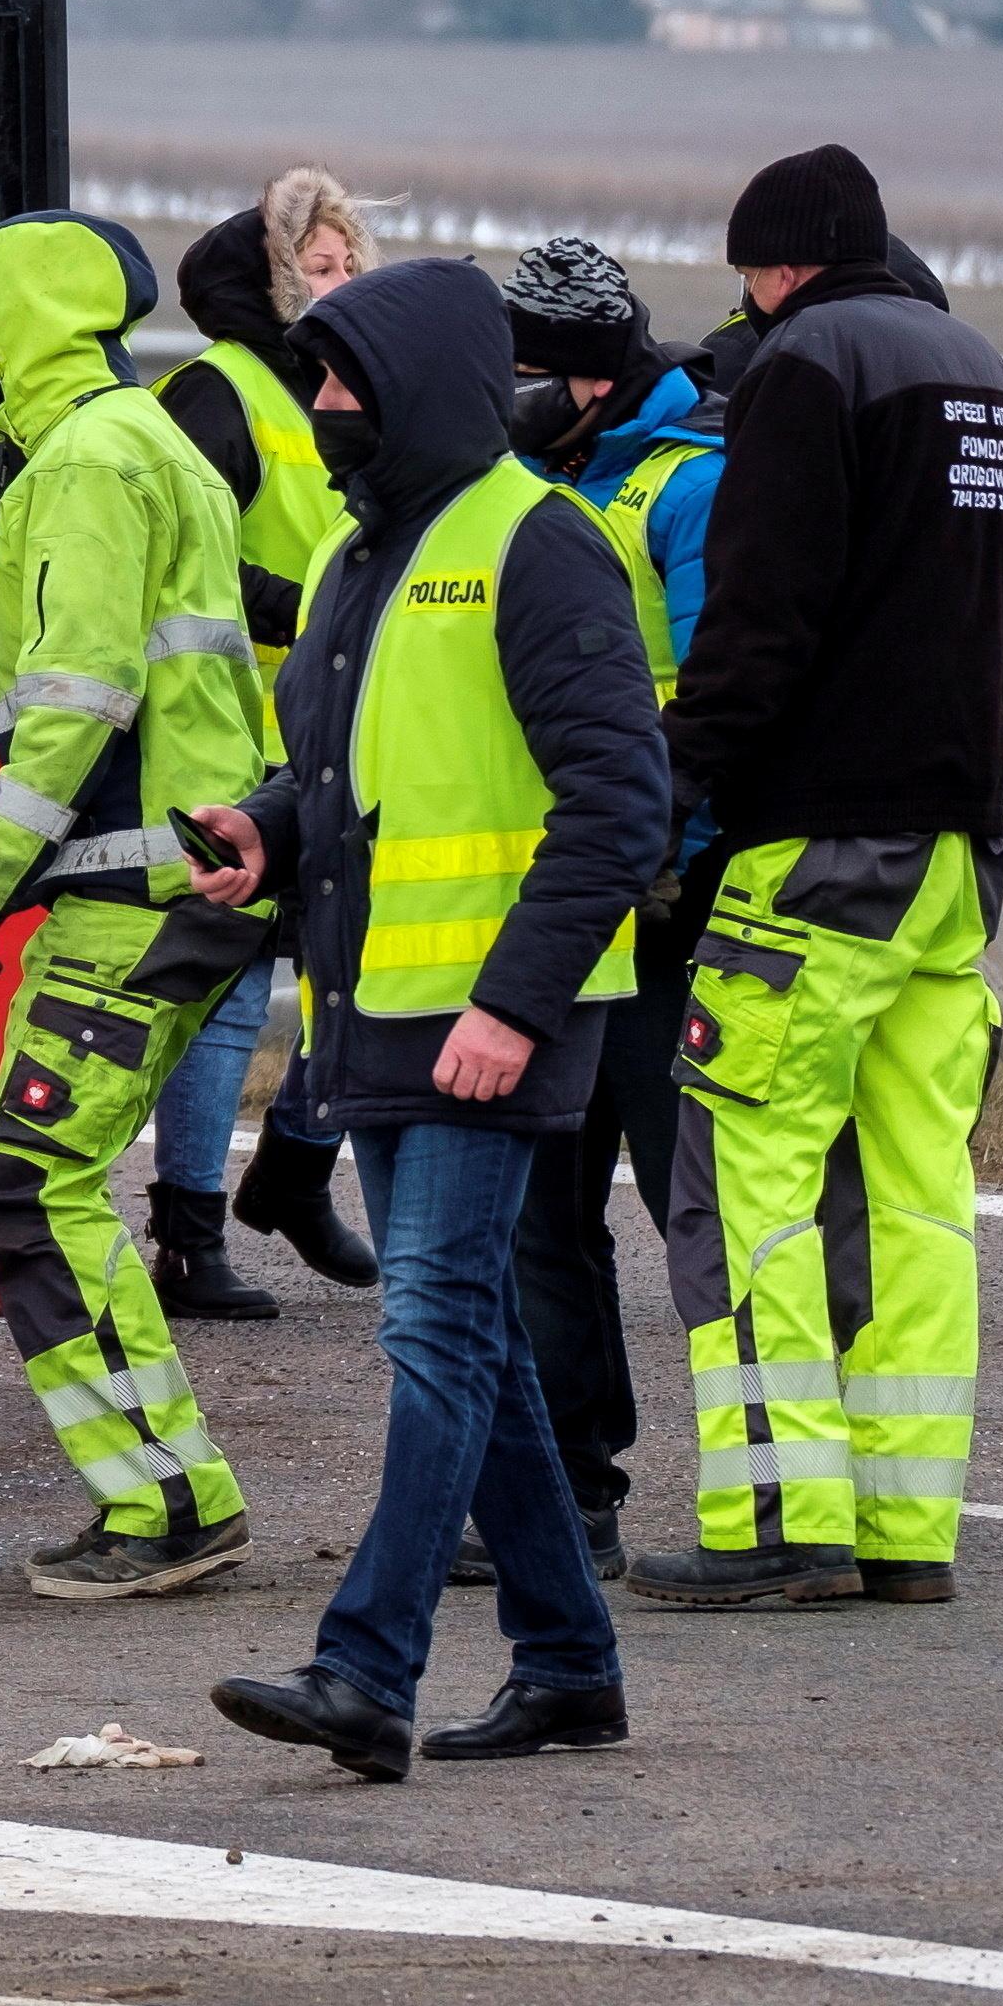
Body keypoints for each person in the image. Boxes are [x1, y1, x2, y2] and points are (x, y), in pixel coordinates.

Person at [186, 256, 667, 1779]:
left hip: (486, 1024)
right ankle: (570, 1663)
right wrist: (265, 825)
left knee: (434, 1330)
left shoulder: (539, 541)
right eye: (316, 378)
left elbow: (618, 805)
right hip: (375, 1010)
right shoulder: (353, 556)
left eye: (342, 381)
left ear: (418, 388)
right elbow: (343, 778)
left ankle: (362, 1666)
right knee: (479, 1341)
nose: (321, 406)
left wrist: (513, 1004)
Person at [634, 145, 1003, 1612]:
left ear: (779, 262)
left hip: (812, 849)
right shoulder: (977, 369)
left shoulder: (803, 367)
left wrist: (662, 796)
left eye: (745, 268)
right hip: (951, 855)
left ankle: (770, 1520)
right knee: (917, 1195)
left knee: (745, 1183)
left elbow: (757, 622)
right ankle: (899, 1527)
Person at [0, 210, 272, 1600]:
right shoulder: (142, 440)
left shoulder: (81, 460)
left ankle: (169, 1503)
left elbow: (78, 700)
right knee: (35, 1183)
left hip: (131, 891)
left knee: (26, 1186)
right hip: (154, 878)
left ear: (14, 327)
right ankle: (168, 1490)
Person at [484, 235, 722, 1581]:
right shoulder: (522, 477)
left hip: (663, 897)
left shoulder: (691, 483)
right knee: (538, 1216)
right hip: (559, 898)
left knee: (688, 1203)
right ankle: (571, 1493)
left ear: (582, 372)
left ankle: (767, 1489)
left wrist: (650, 842)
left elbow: (708, 689)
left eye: (525, 369)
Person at [148, 169, 382, 1311]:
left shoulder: (335, 391)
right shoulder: (218, 390)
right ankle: (188, 1236)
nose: (339, 286)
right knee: (232, 991)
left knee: (352, 970)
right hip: (231, 739)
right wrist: (316, 613)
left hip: (328, 731)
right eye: (319, 267)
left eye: (349, 266)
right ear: (273, 276)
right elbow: (178, 568)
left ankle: (289, 1168)